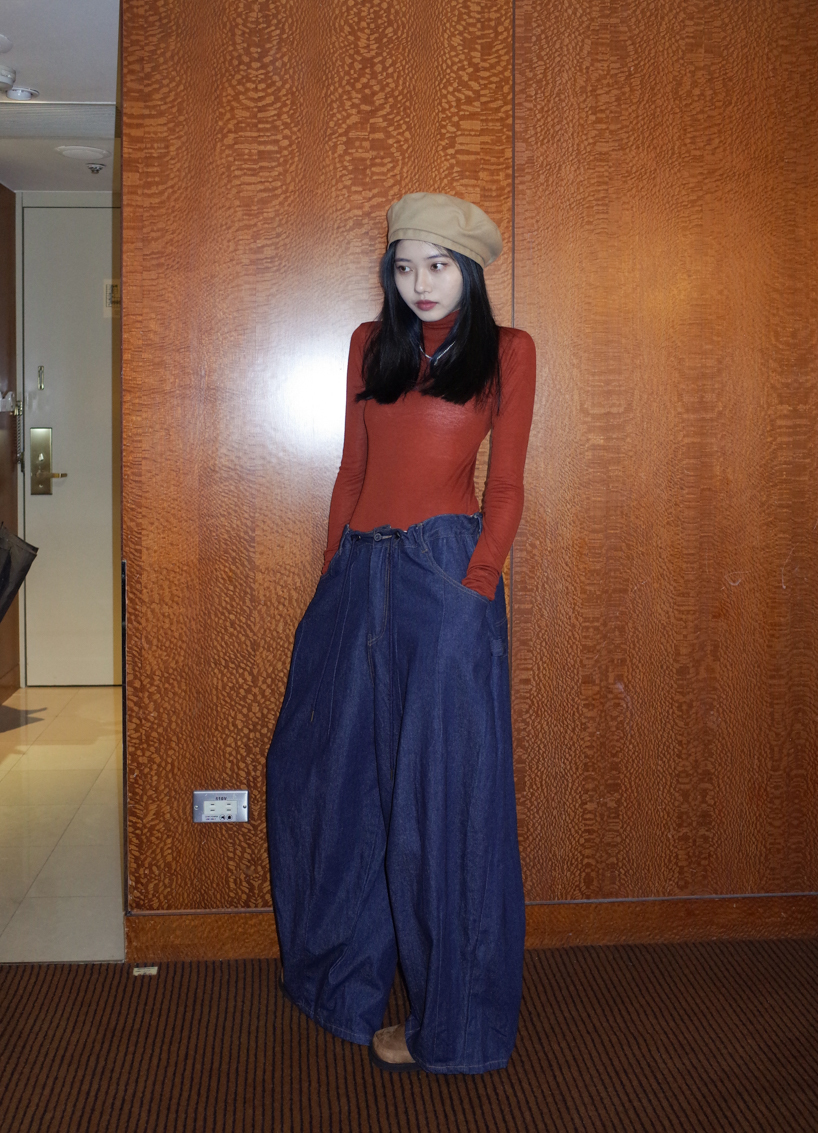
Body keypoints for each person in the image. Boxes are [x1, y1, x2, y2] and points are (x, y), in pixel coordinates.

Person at [267, 192, 537, 1075]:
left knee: (446, 797)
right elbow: (352, 470)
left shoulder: (508, 351)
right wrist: (332, 572)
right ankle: (339, 986)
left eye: (439, 265)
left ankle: (455, 1027)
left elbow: (506, 485)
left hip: (445, 578)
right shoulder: (367, 344)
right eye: (406, 264)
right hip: (359, 575)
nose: (421, 282)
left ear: (470, 271)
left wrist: (476, 585)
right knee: (332, 775)